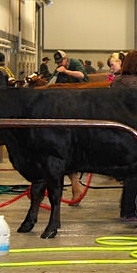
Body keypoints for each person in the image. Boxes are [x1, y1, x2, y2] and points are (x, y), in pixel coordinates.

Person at [110, 50, 137, 220]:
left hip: (117, 131)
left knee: (130, 174)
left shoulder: (116, 82)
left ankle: (128, 209)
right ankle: (133, 210)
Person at [51, 49, 88, 203]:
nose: (60, 64)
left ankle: (76, 187)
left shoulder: (74, 63)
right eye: (58, 63)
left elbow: (81, 76)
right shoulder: (58, 70)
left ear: (66, 59)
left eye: (62, 61)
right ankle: (75, 188)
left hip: (81, 98)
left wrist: (66, 70)